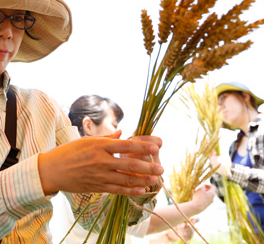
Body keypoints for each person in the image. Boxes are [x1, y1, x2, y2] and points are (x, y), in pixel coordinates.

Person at [0, 0, 165, 243]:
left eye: (18, 18)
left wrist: (135, 180)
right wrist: (41, 174)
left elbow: (91, 214)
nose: (6, 31)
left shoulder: (42, 108)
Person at [51, 95, 215, 244]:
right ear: (88, 126)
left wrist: (168, 236)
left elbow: (132, 230)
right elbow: (142, 224)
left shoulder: (63, 167)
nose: (118, 133)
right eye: (114, 125)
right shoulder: (85, 173)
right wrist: (196, 205)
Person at [209, 82, 264, 231]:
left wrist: (231, 171)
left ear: (245, 96)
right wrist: (216, 171)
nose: (219, 108)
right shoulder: (233, 147)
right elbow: (227, 197)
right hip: (253, 235)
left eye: (223, 99)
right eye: (215, 107)